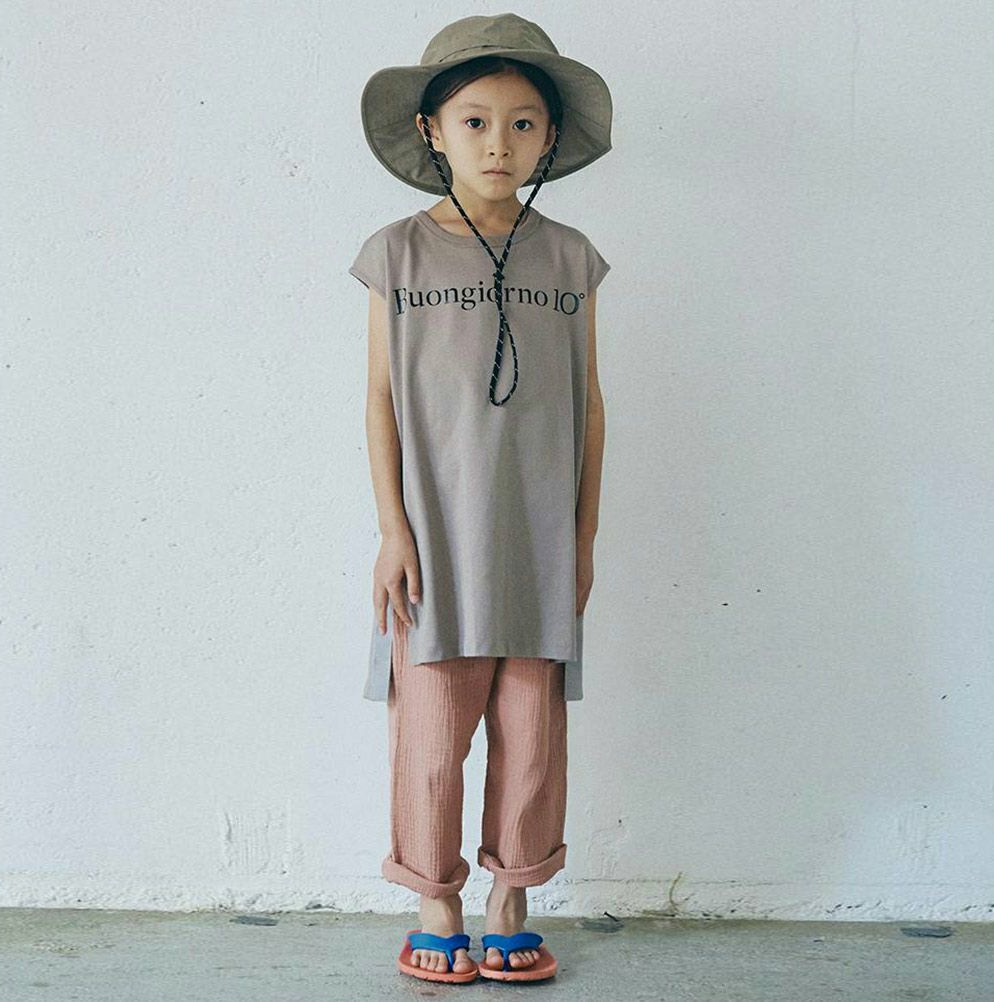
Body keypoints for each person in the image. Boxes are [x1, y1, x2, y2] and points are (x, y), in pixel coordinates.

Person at [348, 12, 613, 985]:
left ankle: (511, 899)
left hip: (538, 540)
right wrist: (392, 529)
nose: (498, 143)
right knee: (430, 739)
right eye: (475, 121)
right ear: (432, 131)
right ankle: (435, 901)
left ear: (549, 137)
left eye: (522, 123)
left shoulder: (570, 258)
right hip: (435, 541)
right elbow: (379, 397)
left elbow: (588, 400)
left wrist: (583, 537)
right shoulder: (397, 255)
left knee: (533, 736)